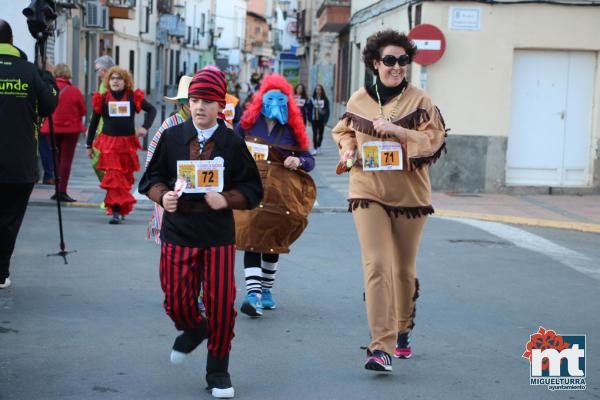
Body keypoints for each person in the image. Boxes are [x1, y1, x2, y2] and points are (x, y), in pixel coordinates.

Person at [138, 66, 263, 398]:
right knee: (176, 301)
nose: (199, 107)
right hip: (178, 232)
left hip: (217, 234)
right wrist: (162, 195)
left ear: (220, 105)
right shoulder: (172, 136)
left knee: (221, 304)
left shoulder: (232, 142)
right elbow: (149, 179)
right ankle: (194, 329)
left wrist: (226, 198)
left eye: (207, 101)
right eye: (194, 99)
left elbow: (253, 189)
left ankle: (218, 370)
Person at [331, 29, 447, 372]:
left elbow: (434, 141)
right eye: (389, 61)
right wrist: (349, 149)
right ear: (374, 63)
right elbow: (344, 130)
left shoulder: (420, 100)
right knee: (377, 265)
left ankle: (402, 329)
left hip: (410, 195)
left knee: (403, 271)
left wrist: (400, 132)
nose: (397, 67)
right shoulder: (358, 100)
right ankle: (379, 346)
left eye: (403, 60)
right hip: (367, 188)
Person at [234, 74, 316, 317]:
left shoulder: (293, 130)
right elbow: (231, 147)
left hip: (282, 194)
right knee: (250, 236)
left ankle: (266, 290)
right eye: (270, 98)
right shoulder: (248, 124)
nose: (274, 103)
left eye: (280, 99)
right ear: (261, 99)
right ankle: (253, 294)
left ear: (288, 102)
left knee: (272, 242)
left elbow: (309, 161)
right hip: (252, 188)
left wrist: (298, 160)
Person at [0, 19, 58, 289]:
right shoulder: (28, 71)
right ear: (11, 40)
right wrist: (47, 75)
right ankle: (1, 272)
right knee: (9, 220)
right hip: (19, 163)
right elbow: (49, 106)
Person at [86, 67, 156, 224]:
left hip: (127, 144)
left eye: (119, 78)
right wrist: (88, 145)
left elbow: (152, 110)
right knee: (113, 178)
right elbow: (94, 123)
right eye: (112, 78)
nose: (115, 81)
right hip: (109, 144)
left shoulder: (132, 97)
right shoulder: (103, 98)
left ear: (125, 81)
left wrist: (145, 126)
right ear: (108, 81)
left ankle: (121, 207)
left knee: (125, 179)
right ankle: (115, 211)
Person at [145, 75, 192, 243]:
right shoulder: (171, 124)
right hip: (172, 190)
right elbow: (152, 158)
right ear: (182, 103)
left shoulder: (208, 124)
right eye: (190, 101)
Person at [40, 63, 87, 202]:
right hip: (70, 130)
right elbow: (83, 111)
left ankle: (56, 190)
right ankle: (62, 191)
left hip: (51, 129)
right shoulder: (74, 91)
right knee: (65, 161)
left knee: (55, 158)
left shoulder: (50, 89)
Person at [90, 55, 115, 182]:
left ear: (104, 70)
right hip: (101, 131)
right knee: (97, 163)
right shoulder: (103, 83)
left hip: (108, 133)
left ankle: (112, 187)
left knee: (99, 162)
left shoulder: (113, 84)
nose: (98, 73)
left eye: (97, 70)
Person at [307, 84, 329, 155]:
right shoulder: (312, 99)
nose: (318, 90)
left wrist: (326, 120)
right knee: (314, 134)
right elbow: (309, 110)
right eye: (317, 89)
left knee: (321, 134)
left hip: (322, 120)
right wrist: (309, 120)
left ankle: (319, 146)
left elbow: (327, 110)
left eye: (319, 89)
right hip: (314, 119)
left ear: (322, 90)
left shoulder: (325, 100)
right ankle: (315, 148)